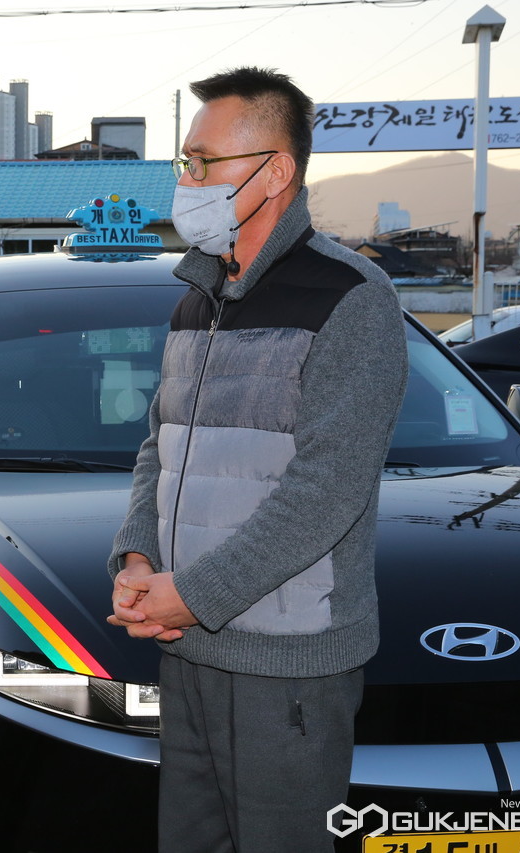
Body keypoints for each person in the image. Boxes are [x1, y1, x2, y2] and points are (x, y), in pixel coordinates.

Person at [106, 67, 408, 850]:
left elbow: (327, 491)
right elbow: (159, 443)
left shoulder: (351, 297)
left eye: (205, 162)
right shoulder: (196, 299)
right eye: (185, 161)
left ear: (276, 171)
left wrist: (192, 593)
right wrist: (138, 553)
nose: (187, 179)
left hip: (288, 668)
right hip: (188, 649)